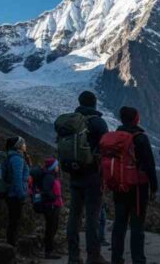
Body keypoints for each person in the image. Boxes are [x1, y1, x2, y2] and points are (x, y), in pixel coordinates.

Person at [56, 91, 109, 264]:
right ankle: (93, 256)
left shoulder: (71, 122)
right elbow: (107, 149)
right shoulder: (98, 122)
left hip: (74, 174)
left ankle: (73, 256)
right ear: (94, 103)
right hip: (93, 175)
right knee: (92, 216)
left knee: (74, 215)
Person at [109, 106, 158, 264]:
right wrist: (154, 187)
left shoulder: (115, 136)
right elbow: (149, 164)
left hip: (119, 185)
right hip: (138, 188)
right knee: (137, 225)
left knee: (119, 223)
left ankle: (116, 258)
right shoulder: (140, 137)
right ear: (136, 118)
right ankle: (138, 259)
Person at [5, 136, 30, 247]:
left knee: (13, 220)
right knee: (14, 220)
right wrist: (22, 195)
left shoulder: (14, 157)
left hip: (11, 194)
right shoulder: (17, 159)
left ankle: (11, 242)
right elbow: (17, 179)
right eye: (23, 143)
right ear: (18, 146)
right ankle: (11, 244)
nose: (25, 145)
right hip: (15, 195)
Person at [41, 157, 64, 260]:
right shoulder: (49, 177)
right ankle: (48, 252)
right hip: (51, 206)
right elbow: (46, 190)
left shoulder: (52, 176)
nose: (58, 167)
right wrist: (53, 198)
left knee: (52, 228)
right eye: (56, 166)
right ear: (53, 167)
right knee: (51, 229)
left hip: (54, 205)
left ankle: (50, 250)